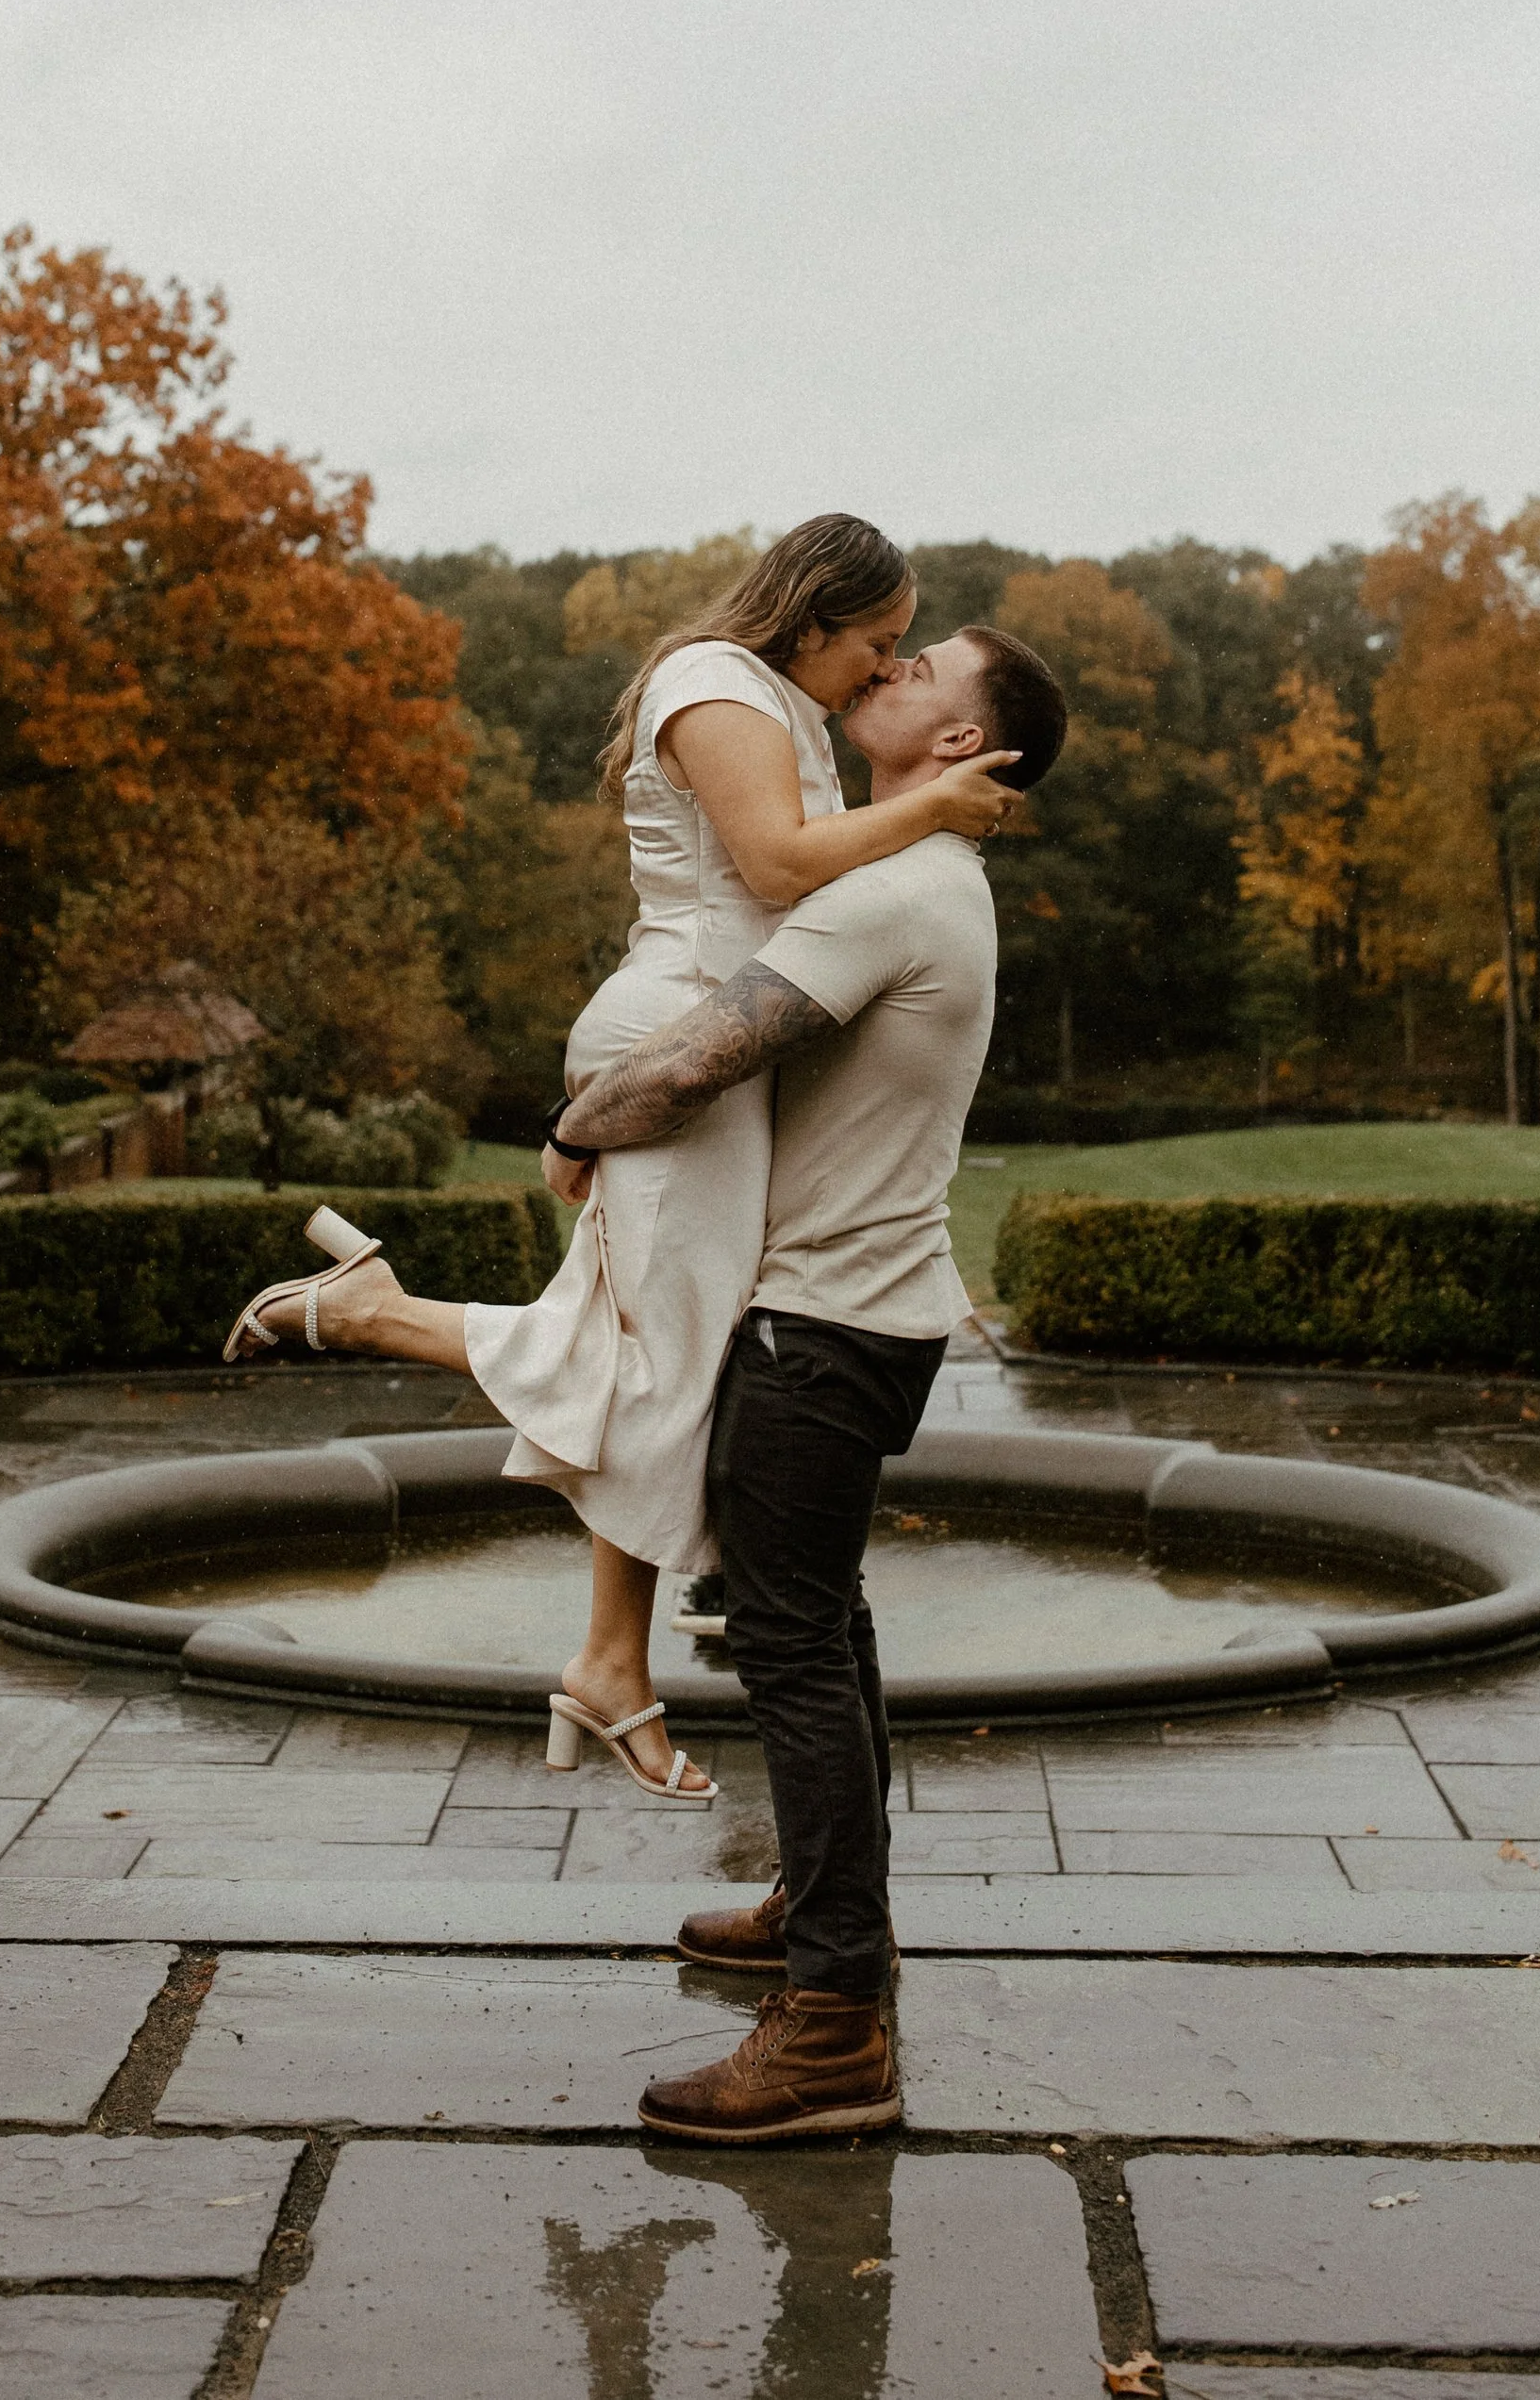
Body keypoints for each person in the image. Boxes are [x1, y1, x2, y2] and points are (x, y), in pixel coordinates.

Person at [219, 517, 1021, 1809]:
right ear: (813, 613)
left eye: (900, 658)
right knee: (671, 1355)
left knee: (662, 1348)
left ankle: (595, 1641)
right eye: (877, 643)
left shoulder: (784, 707)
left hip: (716, 1040)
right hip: (674, 1034)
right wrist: (929, 806)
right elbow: (769, 867)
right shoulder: (713, 682)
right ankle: (594, 1645)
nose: (882, 669)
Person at [541, 617, 1068, 2143]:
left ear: (965, 743)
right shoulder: (928, 877)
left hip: (822, 1327)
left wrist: (579, 1123)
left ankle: (834, 2023)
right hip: (876, 1316)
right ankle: (828, 1921)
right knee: (824, 1626)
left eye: (924, 673)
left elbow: (695, 1061)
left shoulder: (890, 893)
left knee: (789, 1648)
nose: (890, 676)